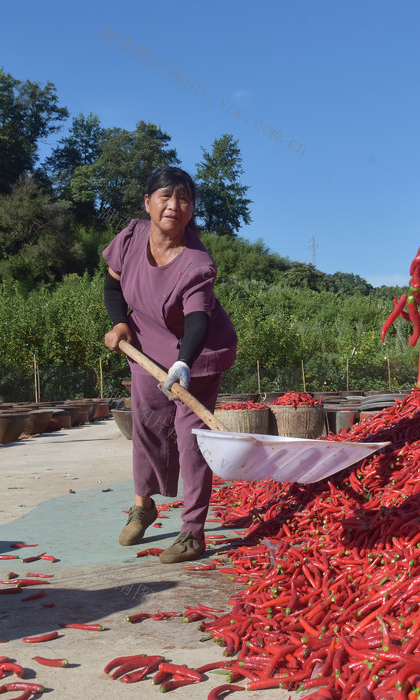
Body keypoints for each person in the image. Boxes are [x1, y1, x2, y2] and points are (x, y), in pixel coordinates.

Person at [102, 167, 237, 563]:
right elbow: (112, 284)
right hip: (146, 345)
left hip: (199, 351)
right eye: (166, 196)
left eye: (184, 200)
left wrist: (184, 363)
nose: (174, 206)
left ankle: (193, 532)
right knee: (146, 423)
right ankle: (143, 506)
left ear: (191, 210)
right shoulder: (129, 237)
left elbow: (199, 319)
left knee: (189, 435)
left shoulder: (196, 262)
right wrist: (119, 322)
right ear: (148, 202)